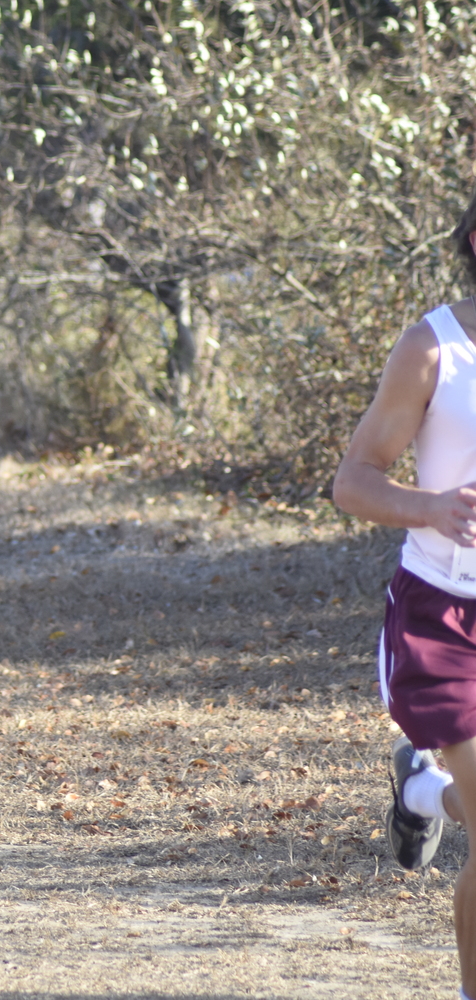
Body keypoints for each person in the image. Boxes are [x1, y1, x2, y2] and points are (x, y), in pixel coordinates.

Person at [333, 188, 476, 1000]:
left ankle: (422, 789)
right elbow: (352, 482)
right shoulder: (434, 348)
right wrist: (432, 509)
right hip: (442, 621)